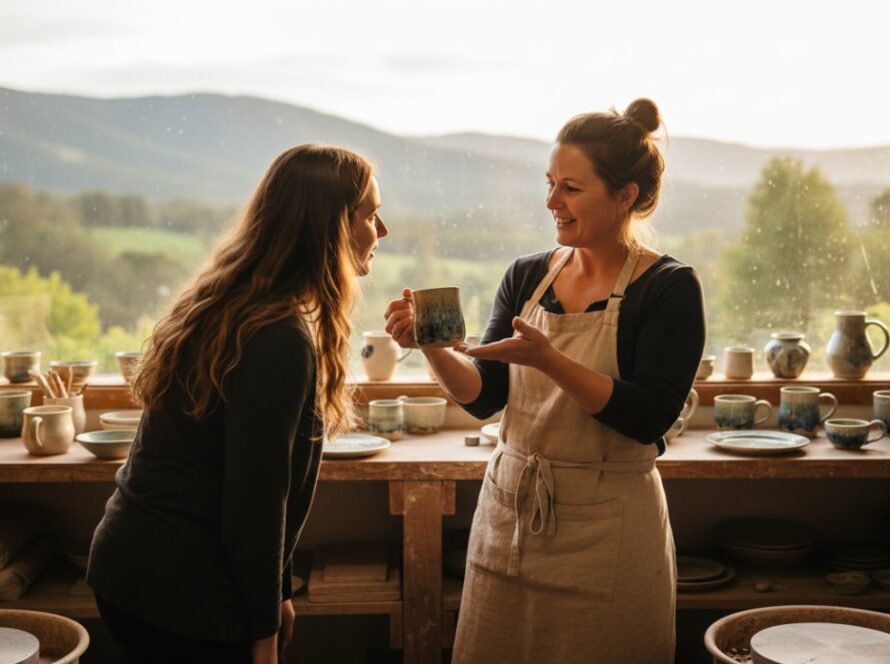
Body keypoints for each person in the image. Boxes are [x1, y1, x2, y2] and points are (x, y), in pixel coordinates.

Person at [384, 99, 705, 662]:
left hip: (609, 536)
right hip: (509, 520)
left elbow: (648, 416)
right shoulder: (528, 274)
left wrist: (549, 359)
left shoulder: (669, 287)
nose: (552, 201)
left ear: (625, 196)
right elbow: (484, 395)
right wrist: (431, 347)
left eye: (572, 189)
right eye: (550, 183)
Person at [88, 144, 388, 664]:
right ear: (330, 226)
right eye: (370, 214)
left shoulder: (239, 305)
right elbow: (255, 503)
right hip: (180, 589)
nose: (381, 232)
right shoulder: (277, 337)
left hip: (134, 570)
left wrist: (278, 593)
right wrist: (265, 634)